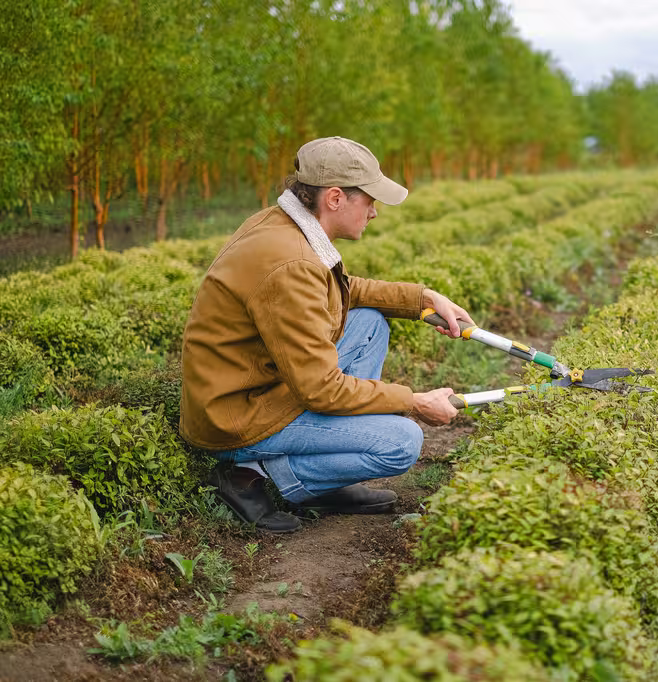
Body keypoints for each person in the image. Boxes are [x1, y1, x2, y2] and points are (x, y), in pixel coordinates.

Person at [179, 136, 474, 532]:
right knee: (402, 441)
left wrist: (422, 299)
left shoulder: (285, 225)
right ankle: (252, 474)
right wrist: (413, 401)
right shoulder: (291, 263)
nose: (374, 213)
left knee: (369, 321)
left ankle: (322, 477)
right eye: (370, 200)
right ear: (335, 198)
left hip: (261, 384)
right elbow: (321, 389)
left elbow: (344, 290)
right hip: (238, 417)